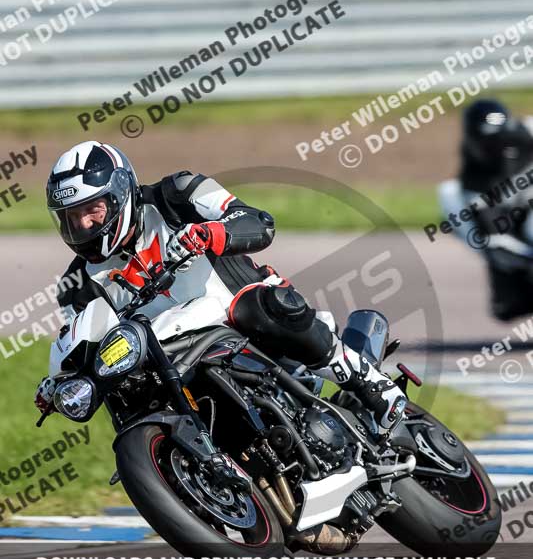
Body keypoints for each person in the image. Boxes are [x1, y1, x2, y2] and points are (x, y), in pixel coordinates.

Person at [35, 141, 406, 435]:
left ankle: (365, 380)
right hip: (175, 355)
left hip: (237, 312)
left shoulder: (177, 194)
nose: (84, 224)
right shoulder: (76, 286)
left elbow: (257, 221)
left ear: (118, 194)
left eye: (93, 210)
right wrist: (57, 384)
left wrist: (211, 233)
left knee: (256, 305)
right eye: (71, 217)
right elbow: (80, 344)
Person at [439, 98, 533, 321]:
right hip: (513, 239)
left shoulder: (528, 131)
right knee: (506, 307)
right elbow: (493, 237)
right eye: (486, 142)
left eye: (499, 140)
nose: (494, 148)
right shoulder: (471, 181)